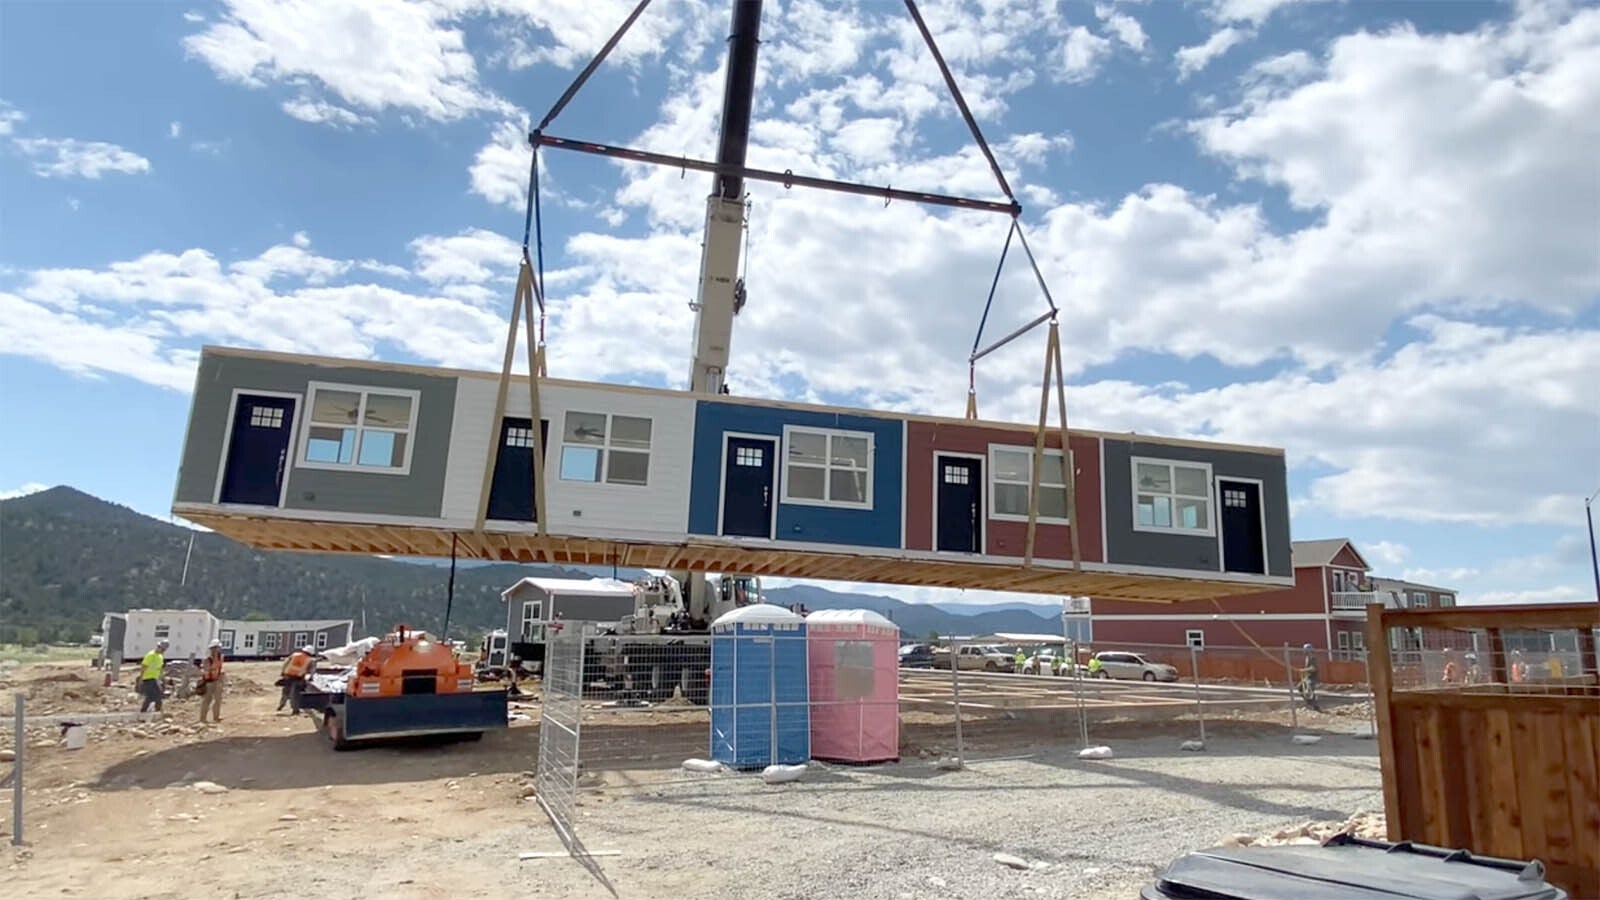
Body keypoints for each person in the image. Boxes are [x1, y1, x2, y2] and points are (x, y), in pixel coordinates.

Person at [278, 645, 316, 715]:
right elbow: (312, 671)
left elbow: (286, 663)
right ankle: (295, 710)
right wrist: (311, 677)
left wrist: (282, 672)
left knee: (286, 691)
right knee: (295, 695)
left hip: (288, 676)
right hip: (298, 678)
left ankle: (281, 705)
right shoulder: (310, 660)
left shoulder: (294, 655)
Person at [198, 639, 226, 724]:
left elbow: (220, 667)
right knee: (207, 700)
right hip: (209, 682)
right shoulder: (207, 659)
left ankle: (216, 717)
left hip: (217, 680)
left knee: (218, 699)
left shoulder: (220, 657)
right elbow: (205, 669)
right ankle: (203, 719)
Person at [138, 639, 169, 713]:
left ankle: (156, 710)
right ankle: (144, 711)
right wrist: (141, 678)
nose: (162, 650)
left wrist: (162, 678)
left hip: (154, 678)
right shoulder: (151, 655)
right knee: (152, 695)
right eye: (161, 648)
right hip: (148, 678)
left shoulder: (160, 656)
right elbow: (144, 666)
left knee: (158, 694)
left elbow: (159, 668)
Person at [1300, 643, 1321, 710]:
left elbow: (1313, 668)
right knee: (1300, 687)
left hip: (1312, 677)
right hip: (1307, 677)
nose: (1304, 651)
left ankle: (1315, 706)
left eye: (1305, 650)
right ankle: (1309, 702)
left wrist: (1304, 670)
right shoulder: (1307, 658)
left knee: (1309, 690)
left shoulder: (1312, 658)